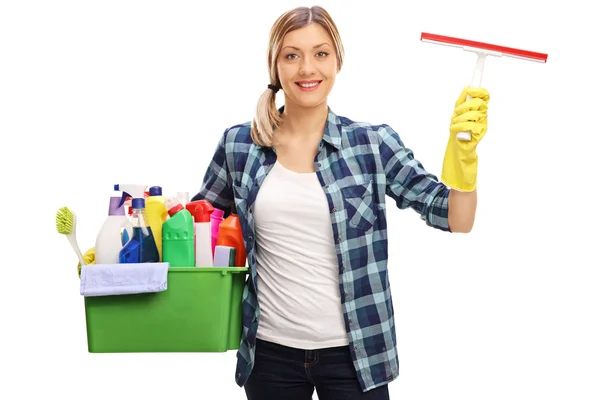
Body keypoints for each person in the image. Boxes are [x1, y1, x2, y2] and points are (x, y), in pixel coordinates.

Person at [191, 5, 489, 400]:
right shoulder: (240, 144)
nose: (306, 68)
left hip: (356, 354)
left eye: (320, 53)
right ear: (275, 65)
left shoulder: (372, 144)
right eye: (291, 55)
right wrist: (124, 263)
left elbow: (456, 218)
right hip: (269, 354)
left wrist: (463, 158)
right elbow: (199, 228)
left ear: (338, 61)